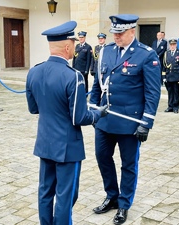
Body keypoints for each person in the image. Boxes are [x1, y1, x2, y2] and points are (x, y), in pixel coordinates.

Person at [25, 21, 108, 225]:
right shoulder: (73, 76)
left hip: (45, 143)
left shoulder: (33, 72)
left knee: (45, 191)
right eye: (72, 42)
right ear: (68, 46)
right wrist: (98, 114)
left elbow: (34, 108)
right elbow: (79, 117)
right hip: (67, 146)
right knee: (65, 195)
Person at [89, 14, 161, 225]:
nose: (116, 37)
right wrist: (93, 110)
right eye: (115, 33)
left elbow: (152, 93)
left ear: (132, 32)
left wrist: (146, 123)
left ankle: (124, 203)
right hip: (105, 120)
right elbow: (97, 83)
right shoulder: (105, 51)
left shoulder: (146, 55)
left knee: (129, 165)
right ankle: (111, 195)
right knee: (102, 158)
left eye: (120, 33)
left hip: (130, 121)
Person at [162, 38, 179, 113]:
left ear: (176, 45)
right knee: (170, 92)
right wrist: (163, 77)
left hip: (176, 76)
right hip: (169, 76)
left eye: (174, 44)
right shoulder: (166, 53)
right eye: (171, 45)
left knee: (176, 92)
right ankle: (170, 106)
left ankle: (175, 107)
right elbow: (164, 66)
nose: (172, 46)